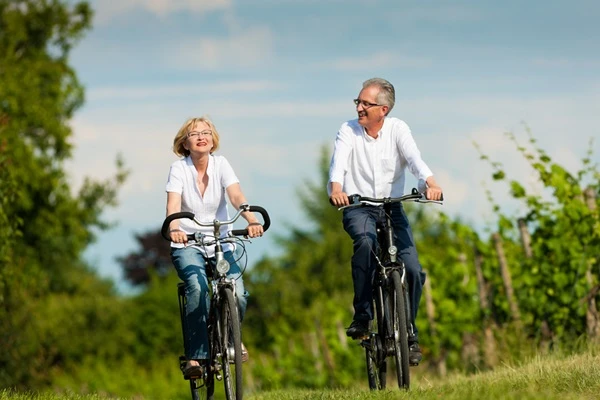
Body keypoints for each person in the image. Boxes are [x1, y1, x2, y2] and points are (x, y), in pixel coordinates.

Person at [328, 78, 443, 365]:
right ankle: (363, 315)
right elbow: (338, 164)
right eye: (358, 102)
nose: (359, 108)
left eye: (366, 103)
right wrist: (336, 190)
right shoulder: (348, 131)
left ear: (384, 109)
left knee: (413, 270)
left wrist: (430, 182)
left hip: (392, 209)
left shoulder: (398, 129)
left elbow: (414, 159)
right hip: (359, 208)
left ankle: (409, 333)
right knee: (365, 244)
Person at [166, 116, 263, 377]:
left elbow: (235, 196)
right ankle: (196, 357)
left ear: (213, 139)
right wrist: (175, 228)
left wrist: (251, 219)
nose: (201, 136)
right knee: (197, 287)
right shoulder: (179, 169)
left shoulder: (221, 164)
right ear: (185, 143)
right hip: (189, 243)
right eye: (194, 133)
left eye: (206, 132)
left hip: (222, 242)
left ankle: (232, 341)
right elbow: (173, 205)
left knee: (238, 291)